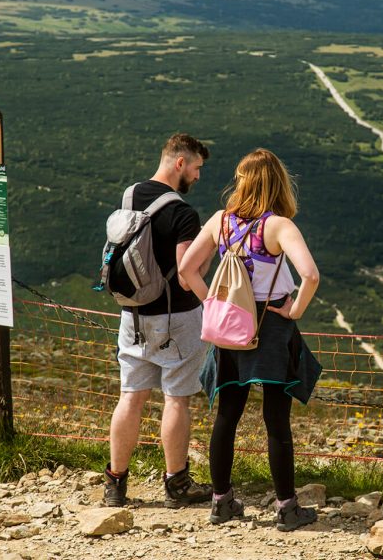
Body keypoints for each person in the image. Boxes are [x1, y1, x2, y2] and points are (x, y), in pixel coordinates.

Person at [179, 148, 322, 532]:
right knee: (276, 419)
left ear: (242, 181)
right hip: (271, 325)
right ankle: (286, 508)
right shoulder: (278, 226)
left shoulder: (220, 222)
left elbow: (185, 269)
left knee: (228, 413)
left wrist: (212, 302)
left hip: (230, 325)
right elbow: (310, 275)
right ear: (277, 182)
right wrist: (294, 312)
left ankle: (221, 501)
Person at [104, 133, 214, 508]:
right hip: (177, 318)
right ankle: (176, 485)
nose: (198, 176)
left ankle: (115, 483)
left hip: (132, 315)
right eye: (197, 168)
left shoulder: (130, 195)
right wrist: (215, 303)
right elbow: (187, 273)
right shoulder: (184, 213)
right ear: (180, 162)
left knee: (131, 398)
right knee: (176, 400)